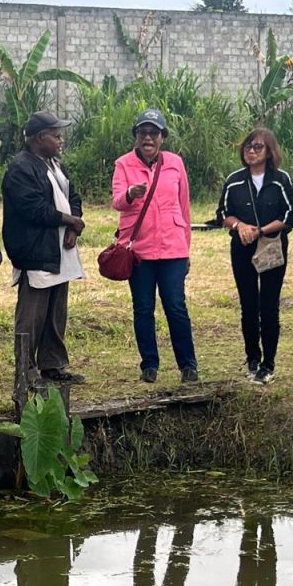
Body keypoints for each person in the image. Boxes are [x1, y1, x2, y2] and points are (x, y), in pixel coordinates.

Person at [112, 108, 198, 384]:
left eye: (154, 133)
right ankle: (149, 364)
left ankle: (188, 365)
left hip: (172, 248)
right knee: (143, 308)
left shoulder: (175, 163)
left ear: (162, 137)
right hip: (139, 249)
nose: (148, 138)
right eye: (143, 133)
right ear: (136, 136)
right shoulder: (123, 164)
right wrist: (129, 194)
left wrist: (186, 248)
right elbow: (116, 201)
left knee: (176, 306)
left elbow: (184, 207)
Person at [1, 111, 86, 385]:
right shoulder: (21, 167)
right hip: (36, 250)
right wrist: (69, 219)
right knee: (32, 316)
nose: (61, 140)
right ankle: (26, 371)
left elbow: (72, 195)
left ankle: (53, 365)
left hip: (60, 250)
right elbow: (33, 208)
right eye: (56, 135)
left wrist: (73, 227)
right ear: (40, 137)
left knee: (56, 312)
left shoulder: (55, 163)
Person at [216, 128, 293, 385]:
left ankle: (269, 363)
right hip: (242, 248)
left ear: (269, 151)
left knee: (269, 306)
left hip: (271, 247)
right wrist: (239, 226)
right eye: (248, 147)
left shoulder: (280, 180)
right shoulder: (234, 180)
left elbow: (290, 216)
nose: (251, 151)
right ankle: (252, 356)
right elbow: (222, 213)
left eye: (258, 147)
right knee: (248, 304)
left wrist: (260, 230)